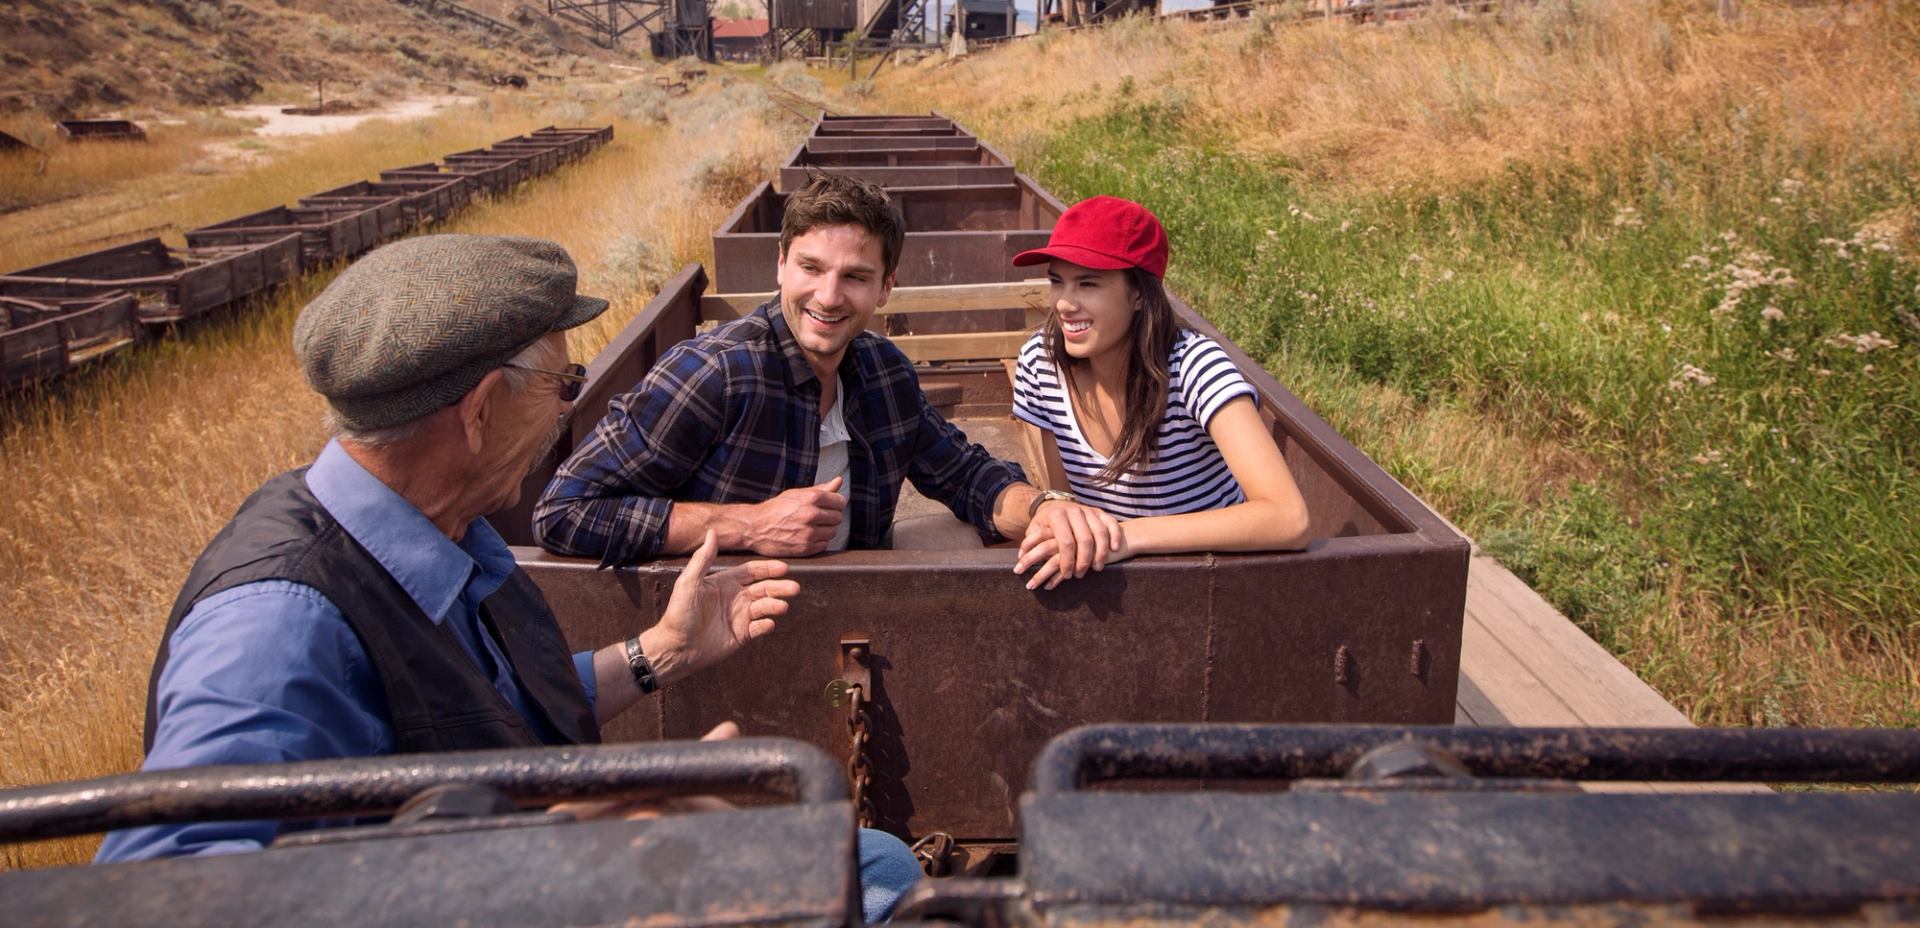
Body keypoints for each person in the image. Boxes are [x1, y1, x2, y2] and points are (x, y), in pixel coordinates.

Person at [98, 234, 919, 920]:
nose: (568, 414)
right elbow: (165, 898)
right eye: (564, 388)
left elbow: (465, 710)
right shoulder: (274, 624)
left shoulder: (433, 531)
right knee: (874, 883)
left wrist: (654, 655)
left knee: (873, 857)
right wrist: (543, 845)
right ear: (481, 408)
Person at [535, 173, 1048, 562]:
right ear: (781, 264)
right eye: (811, 268)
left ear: (886, 287)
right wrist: (747, 526)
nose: (828, 296)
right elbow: (562, 511)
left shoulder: (884, 373)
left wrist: (1043, 508)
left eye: (855, 276)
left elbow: (966, 474)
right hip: (730, 618)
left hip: (852, 597)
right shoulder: (715, 373)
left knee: (996, 546)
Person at [1007, 197, 1312, 590]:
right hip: (1113, 583)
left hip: (1215, 584)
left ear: (1139, 295)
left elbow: (1288, 518)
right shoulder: (1042, 361)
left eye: (1088, 283)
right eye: (1056, 281)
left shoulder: (1193, 367)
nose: (1064, 303)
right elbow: (1069, 503)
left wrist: (1127, 536)